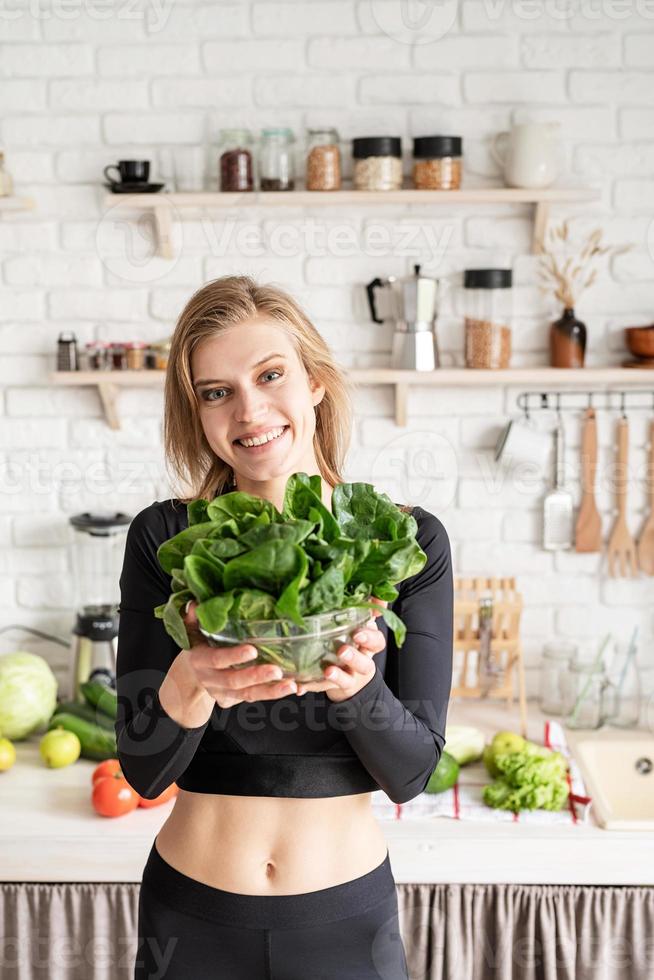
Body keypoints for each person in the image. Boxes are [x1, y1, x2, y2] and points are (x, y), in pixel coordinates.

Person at [115, 275, 454, 980]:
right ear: (198, 413)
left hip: (345, 925)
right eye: (216, 391)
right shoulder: (167, 539)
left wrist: (358, 687)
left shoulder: (399, 539)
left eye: (271, 375)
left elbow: (413, 772)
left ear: (317, 384)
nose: (249, 409)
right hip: (191, 920)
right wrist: (189, 683)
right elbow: (146, 771)